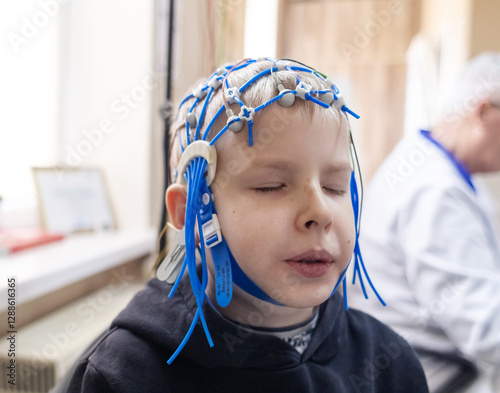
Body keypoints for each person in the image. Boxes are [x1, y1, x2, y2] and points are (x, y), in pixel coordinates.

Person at [65, 58, 428, 393]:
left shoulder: (390, 364)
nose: (320, 211)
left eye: (334, 187)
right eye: (271, 186)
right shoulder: (122, 374)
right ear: (189, 210)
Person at [348, 52, 500, 393]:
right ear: (484, 111)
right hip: (435, 377)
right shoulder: (434, 190)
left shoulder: (439, 168)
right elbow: (485, 328)